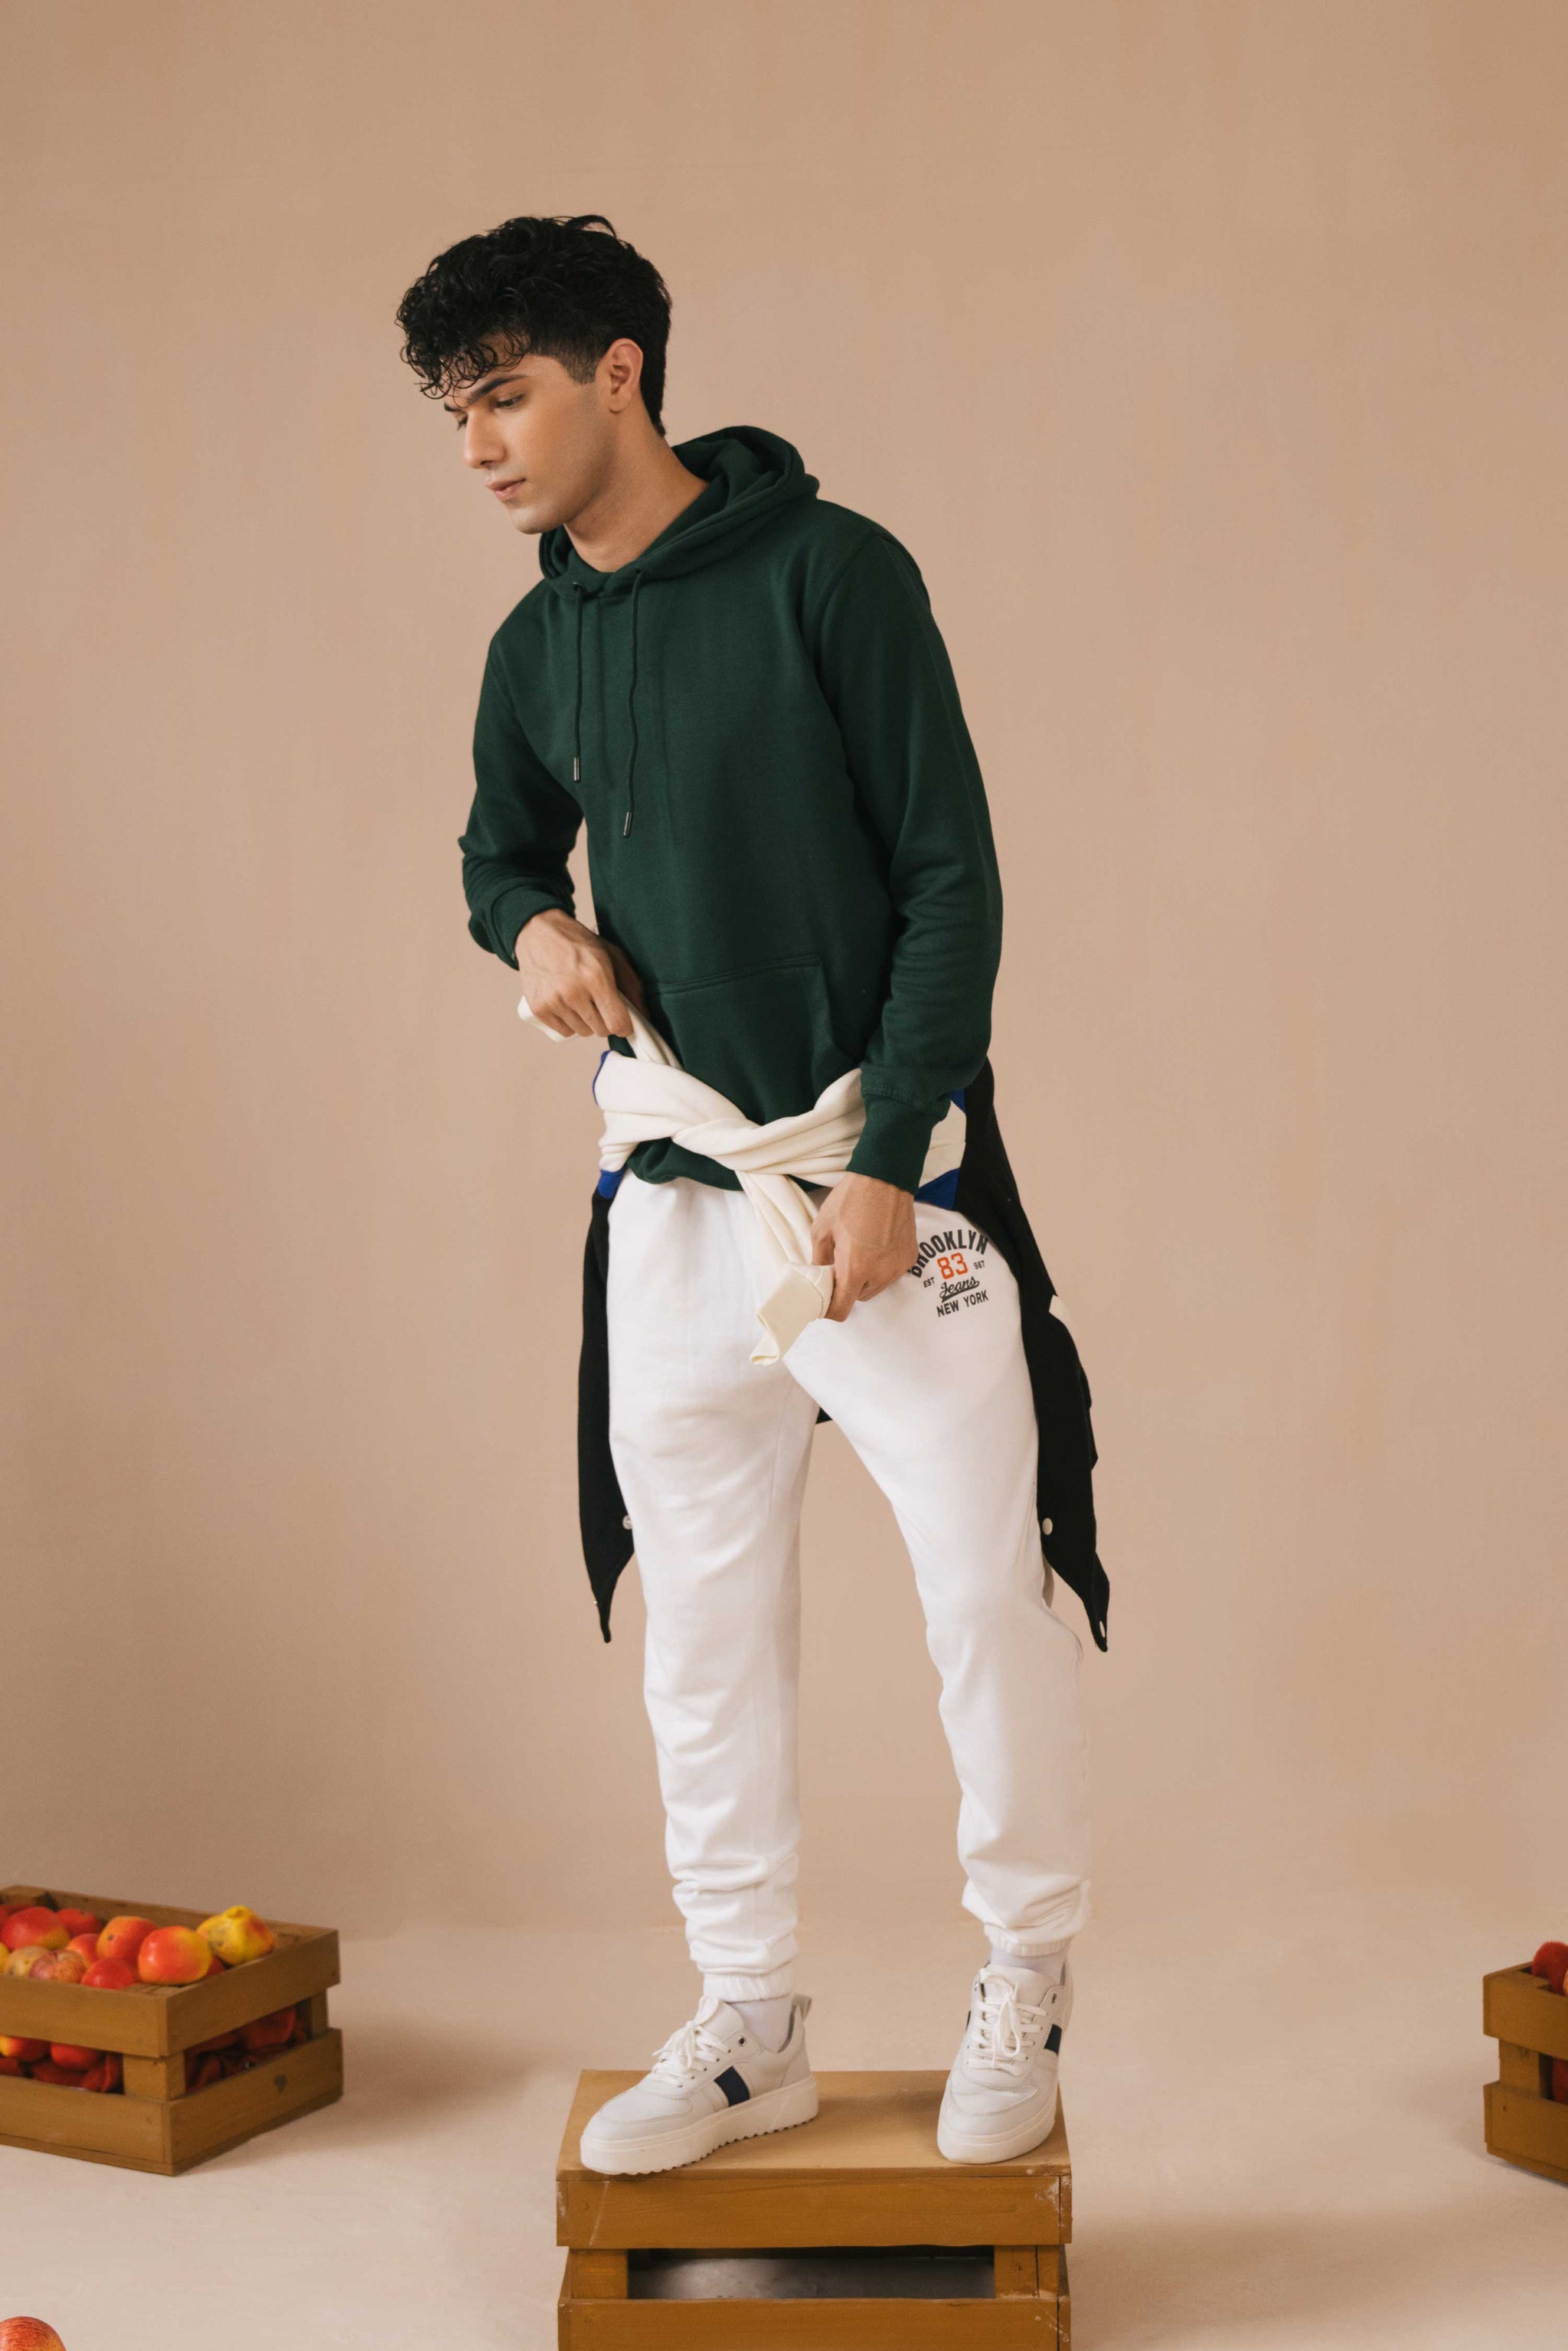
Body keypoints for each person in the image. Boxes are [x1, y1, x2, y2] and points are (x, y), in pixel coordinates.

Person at [396, 213, 1109, 2177]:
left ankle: (1025, 1975)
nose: (478, 447)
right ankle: (747, 2022)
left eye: (503, 398)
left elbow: (951, 879)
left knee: (984, 1592)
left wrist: (889, 1161)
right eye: (454, 416)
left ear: (620, 372)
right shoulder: (537, 645)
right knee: (701, 1627)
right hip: (675, 1193)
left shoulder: (831, 573)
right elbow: (490, 852)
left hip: (878, 1184)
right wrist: (534, 925)